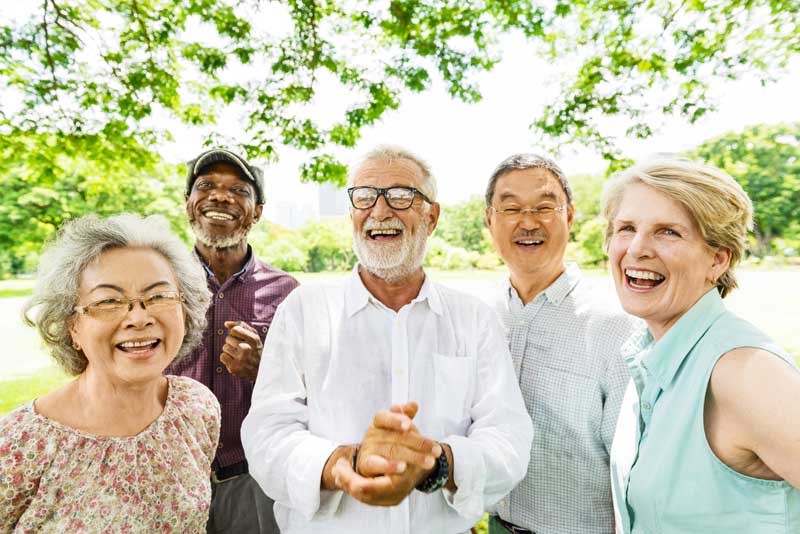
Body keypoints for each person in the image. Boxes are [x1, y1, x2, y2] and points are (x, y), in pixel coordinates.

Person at [241, 145, 533, 534]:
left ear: (431, 216)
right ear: (351, 215)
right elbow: (267, 435)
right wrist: (344, 464)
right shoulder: (303, 310)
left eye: (401, 195)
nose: (380, 211)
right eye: (364, 197)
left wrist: (436, 463)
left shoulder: (473, 318)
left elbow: (508, 439)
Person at [602, 159, 800, 533]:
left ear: (718, 259)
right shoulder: (649, 358)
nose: (638, 248)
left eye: (668, 232)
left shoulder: (743, 371)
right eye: (626, 228)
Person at [0, 214, 219, 533]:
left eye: (158, 296)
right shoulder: (20, 442)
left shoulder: (196, 408)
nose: (139, 317)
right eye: (108, 301)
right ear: (72, 326)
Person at [482, 154, 638, 534]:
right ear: (490, 220)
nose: (528, 221)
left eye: (544, 207)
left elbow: (632, 468)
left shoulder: (615, 325)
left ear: (569, 216)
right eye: (512, 208)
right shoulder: (480, 318)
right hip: (497, 525)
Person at [166, 148, 299, 534]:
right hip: (170, 474)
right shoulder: (158, 283)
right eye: (206, 186)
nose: (220, 196)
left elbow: (312, 393)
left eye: (238, 190)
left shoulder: (288, 292)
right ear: (188, 204)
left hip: (253, 479)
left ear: (257, 211)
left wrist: (264, 368)